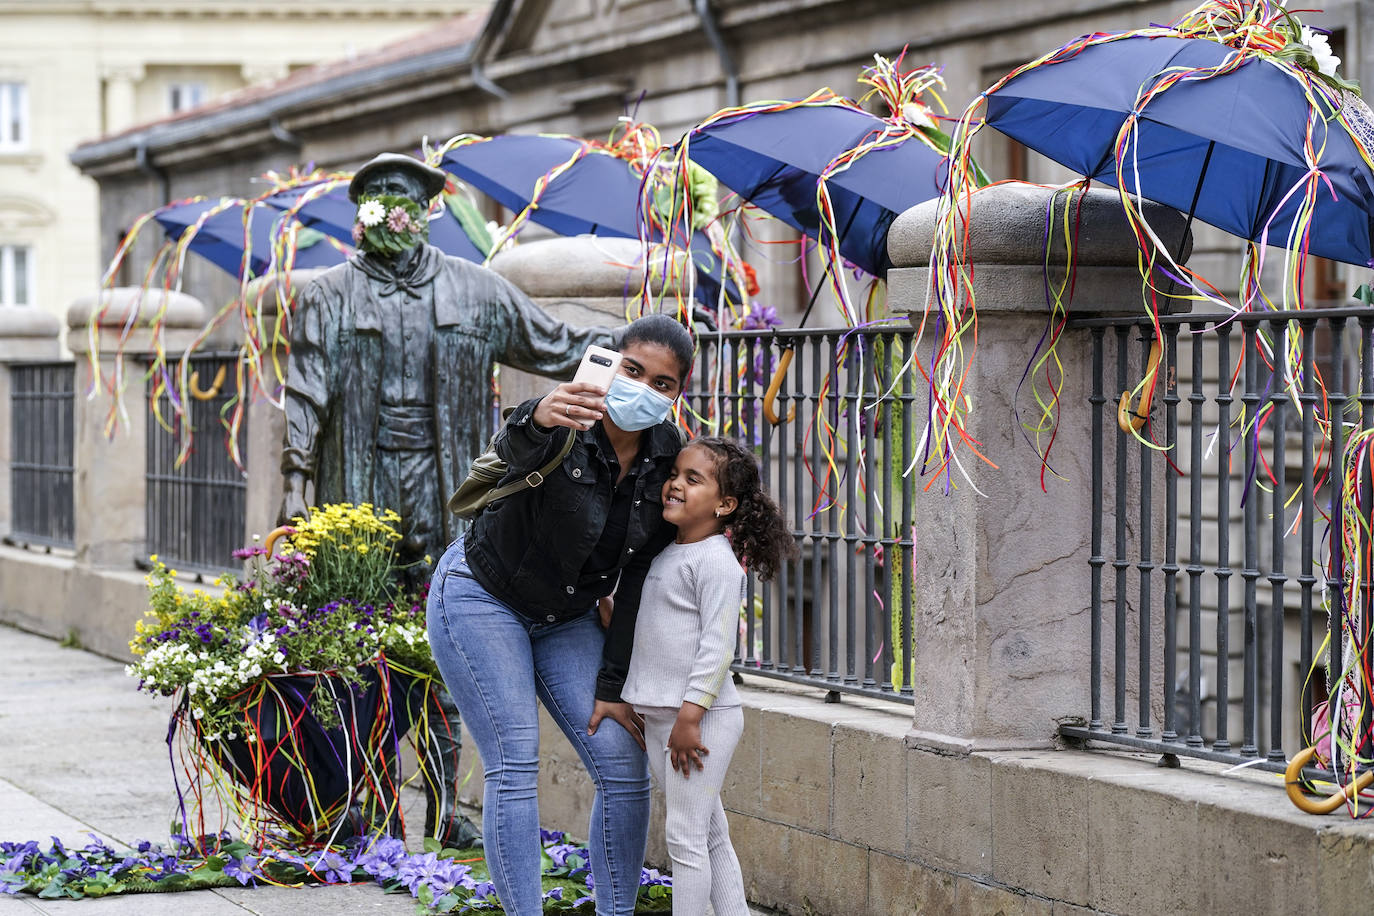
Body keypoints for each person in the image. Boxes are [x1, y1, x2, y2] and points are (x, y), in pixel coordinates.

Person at [279, 151, 615, 846]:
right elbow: (304, 398)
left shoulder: (478, 291)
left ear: (429, 209)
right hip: (356, 496)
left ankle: (447, 807)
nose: (394, 210)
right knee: (357, 650)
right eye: (379, 198)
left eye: (407, 197)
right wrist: (293, 492)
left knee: (447, 647)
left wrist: (644, 346)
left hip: (453, 497)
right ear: (362, 212)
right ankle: (358, 805)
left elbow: (556, 345)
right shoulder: (324, 294)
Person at [426, 313, 694, 916]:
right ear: (612, 364)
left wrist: (612, 683)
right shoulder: (565, 419)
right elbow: (512, 446)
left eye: (664, 382)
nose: (645, 388)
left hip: (569, 617)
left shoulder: (669, 456)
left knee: (625, 769)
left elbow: (641, 581)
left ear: (678, 393)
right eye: (633, 370)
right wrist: (537, 412)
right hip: (482, 595)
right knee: (514, 764)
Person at [621, 436, 795, 916]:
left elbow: (718, 648)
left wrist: (690, 717)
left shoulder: (717, 562)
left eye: (692, 479)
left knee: (685, 836)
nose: (674, 484)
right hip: (666, 718)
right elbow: (653, 631)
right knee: (709, 832)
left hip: (699, 721)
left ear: (725, 504)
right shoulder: (667, 554)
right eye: (675, 474)